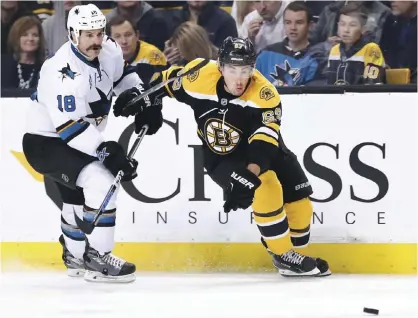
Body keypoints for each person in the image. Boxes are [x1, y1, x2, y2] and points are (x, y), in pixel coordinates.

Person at [113, 37, 331, 277]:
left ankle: (293, 256)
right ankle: (283, 254)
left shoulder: (265, 95)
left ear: (253, 68)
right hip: (222, 157)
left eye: (245, 70)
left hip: (264, 150)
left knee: (300, 201)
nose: (239, 78)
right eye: (233, 69)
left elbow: (264, 143)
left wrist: (250, 174)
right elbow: (166, 81)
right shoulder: (198, 76)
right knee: (267, 187)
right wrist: (146, 98)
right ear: (220, 66)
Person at [21, 4, 162, 283]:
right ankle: (99, 255)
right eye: (88, 35)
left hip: (74, 137)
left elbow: (123, 76)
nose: (96, 41)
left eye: (99, 33)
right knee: (100, 180)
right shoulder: (59, 71)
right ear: (73, 34)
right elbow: (69, 128)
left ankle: (75, 255)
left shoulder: (109, 49)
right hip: (46, 143)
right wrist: (105, 150)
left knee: (75, 199)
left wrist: (138, 97)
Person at [327, 3, 386, 85]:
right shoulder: (334, 50)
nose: (346, 30)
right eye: (342, 24)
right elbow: (330, 84)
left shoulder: (371, 49)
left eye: (352, 25)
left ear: (363, 29)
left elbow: (372, 85)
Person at [1, 16, 46, 89]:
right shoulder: (3, 65)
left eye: (35, 35)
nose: (30, 39)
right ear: (16, 38)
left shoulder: (46, 69)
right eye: (25, 35)